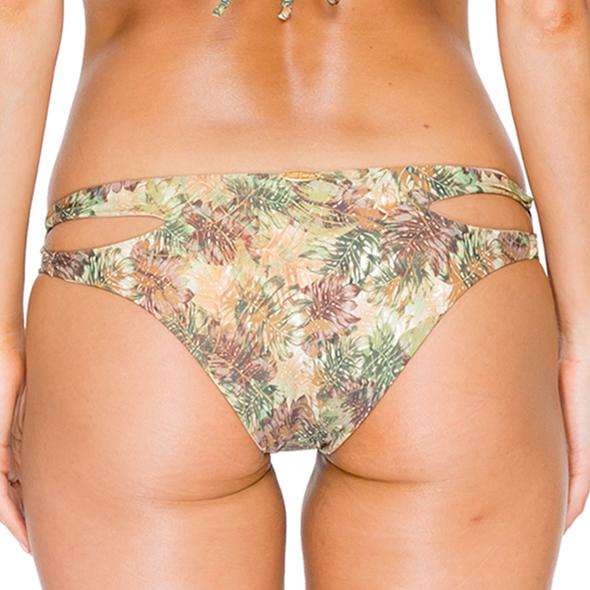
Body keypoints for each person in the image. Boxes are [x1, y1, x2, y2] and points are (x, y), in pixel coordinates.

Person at [1, 0, 589, 587]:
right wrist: (584, 339)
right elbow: (551, 17)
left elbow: (14, 15)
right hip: (434, 233)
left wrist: (2, 339)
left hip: (146, 236)